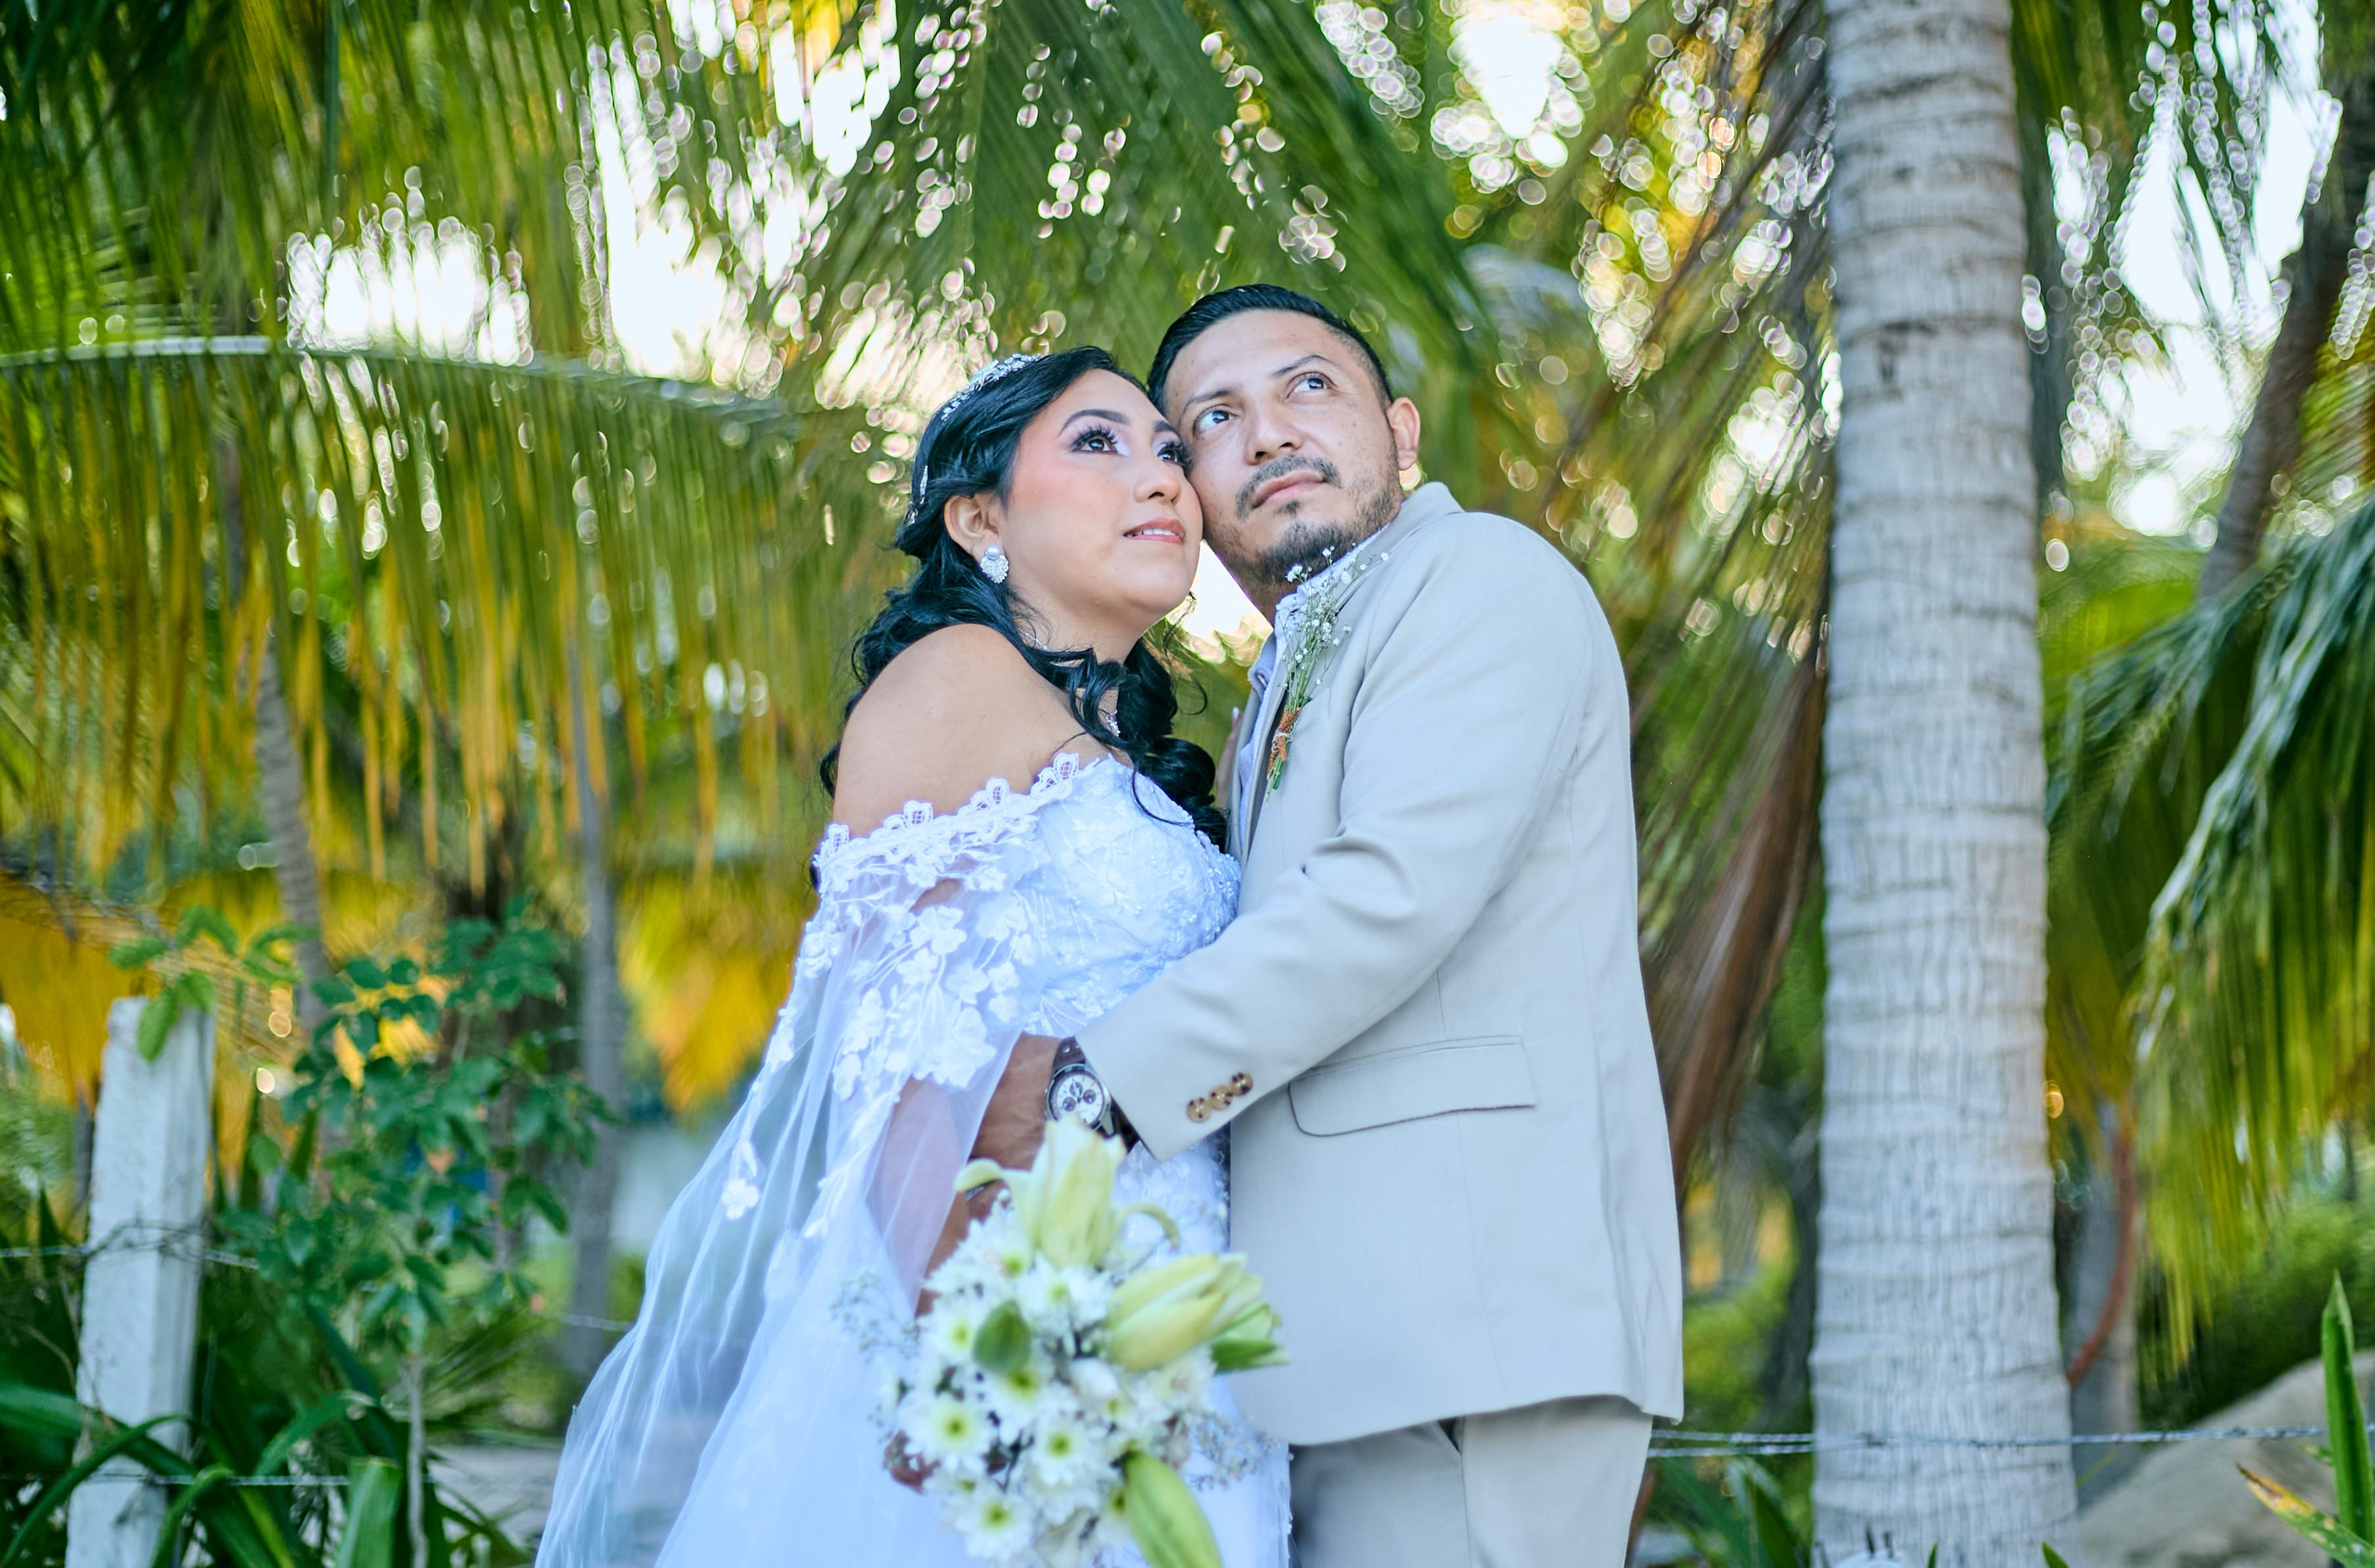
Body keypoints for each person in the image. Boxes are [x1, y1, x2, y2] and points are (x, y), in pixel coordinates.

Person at [534, 346, 1290, 1568]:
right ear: (979, 515)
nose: (1159, 475)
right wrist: (983, 1361)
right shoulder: (956, 678)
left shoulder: (1135, 753)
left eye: (1166, 448)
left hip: (1182, 1320)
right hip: (1031, 1327)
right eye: (1097, 442)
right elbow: (893, 1063)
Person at [973, 286, 1684, 1567]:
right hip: (1364, 1336)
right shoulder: (1301, 665)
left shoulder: (1479, 576)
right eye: (1216, 416)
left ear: (1401, 432)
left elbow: (1391, 891)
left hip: (1472, 1331)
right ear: (1190, 487)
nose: (1270, 432)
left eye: (1311, 388)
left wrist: (1097, 1084)